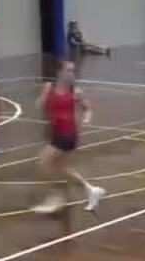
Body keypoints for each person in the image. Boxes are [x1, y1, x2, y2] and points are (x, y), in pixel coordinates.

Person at [31, 62, 106, 213]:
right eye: (69, 70)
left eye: (73, 70)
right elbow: (39, 106)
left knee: (43, 162)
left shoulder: (76, 91)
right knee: (61, 168)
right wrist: (43, 97)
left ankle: (56, 197)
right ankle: (91, 190)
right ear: (60, 73)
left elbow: (87, 108)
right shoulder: (49, 88)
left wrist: (87, 117)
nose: (72, 73)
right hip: (54, 133)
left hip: (67, 134)